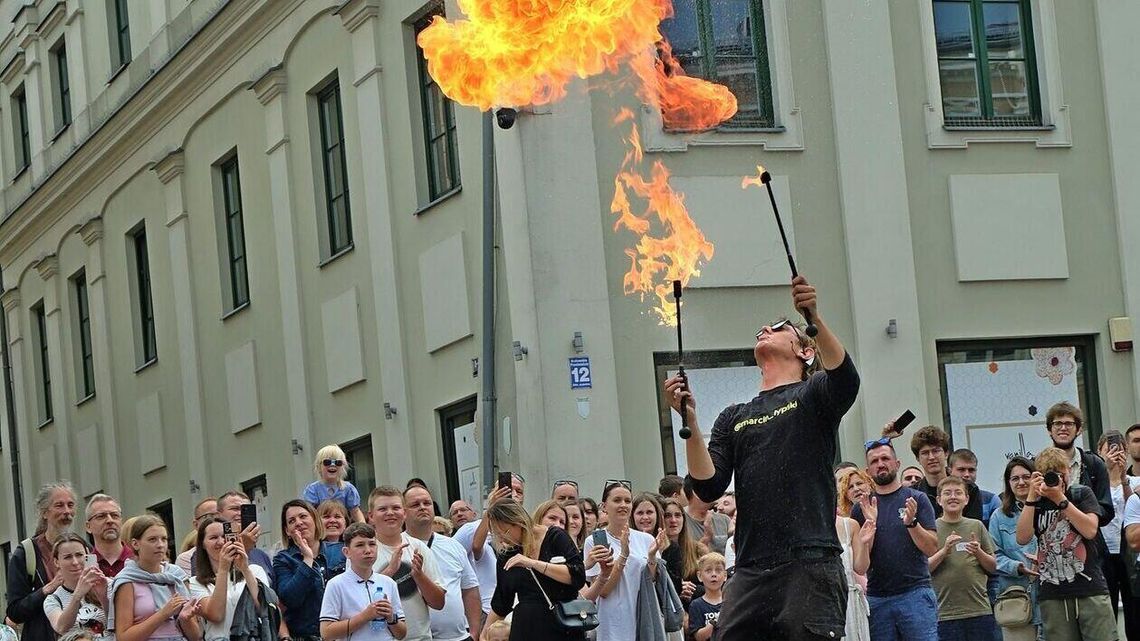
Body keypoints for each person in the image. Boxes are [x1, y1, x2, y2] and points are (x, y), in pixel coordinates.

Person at [665, 276, 860, 641]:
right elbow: (707, 487)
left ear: (805, 351)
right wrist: (689, 419)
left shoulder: (813, 393)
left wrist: (813, 318)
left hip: (809, 559)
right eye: (763, 329)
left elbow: (846, 379)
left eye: (780, 328)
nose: (765, 330)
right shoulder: (734, 415)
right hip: (752, 567)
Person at [1016, 446, 1115, 641]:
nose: (1056, 480)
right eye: (1049, 475)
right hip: (1052, 593)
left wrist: (1061, 499)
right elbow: (1022, 538)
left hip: (1089, 588)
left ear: (1069, 472)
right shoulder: (1036, 502)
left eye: (1060, 474)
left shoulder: (1081, 494)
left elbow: (1090, 530)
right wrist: (1031, 498)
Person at [852, 440, 940, 641]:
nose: (880, 464)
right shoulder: (861, 508)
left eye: (885, 458)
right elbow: (860, 564)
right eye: (874, 461)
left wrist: (912, 524)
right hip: (877, 598)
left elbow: (932, 548)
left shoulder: (917, 498)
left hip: (915, 594)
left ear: (897, 463)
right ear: (868, 470)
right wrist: (870, 527)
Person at [483, 500, 585, 641]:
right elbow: (502, 602)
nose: (501, 539)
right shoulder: (507, 554)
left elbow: (577, 576)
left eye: (504, 532)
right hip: (526, 629)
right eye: (496, 535)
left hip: (562, 625)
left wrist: (532, 563)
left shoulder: (555, 537)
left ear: (519, 522)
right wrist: (483, 635)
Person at [581, 480, 666, 641]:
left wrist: (652, 556)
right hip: (612, 622)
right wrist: (623, 555)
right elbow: (603, 591)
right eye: (617, 500)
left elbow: (653, 580)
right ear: (604, 506)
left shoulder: (646, 538)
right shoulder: (594, 541)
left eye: (627, 501)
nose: (623, 505)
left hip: (643, 615)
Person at [404, 485, 482, 641]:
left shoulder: (453, 545)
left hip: (457, 637)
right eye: (415, 504)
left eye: (427, 503)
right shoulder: (397, 546)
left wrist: (474, 633)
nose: (422, 508)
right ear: (403, 512)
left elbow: (470, 590)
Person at [368, 486, 445, 641]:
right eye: (383, 509)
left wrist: (419, 576)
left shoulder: (418, 547)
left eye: (396, 508)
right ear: (371, 516)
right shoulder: (362, 551)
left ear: (404, 513)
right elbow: (358, 600)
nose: (390, 513)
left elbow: (438, 603)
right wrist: (389, 571)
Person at [108, 514, 203, 641]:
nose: (160, 545)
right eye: (152, 539)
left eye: (164, 539)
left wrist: (185, 619)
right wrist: (163, 614)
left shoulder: (177, 576)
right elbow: (124, 637)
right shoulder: (127, 580)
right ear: (135, 544)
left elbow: (196, 636)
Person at [926, 476, 999, 641]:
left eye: (958, 493)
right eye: (947, 493)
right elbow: (924, 569)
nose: (953, 497)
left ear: (966, 499)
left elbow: (994, 567)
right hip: (944, 614)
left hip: (979, 610)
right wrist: (944, 551)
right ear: (938, 500)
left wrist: (978, 552)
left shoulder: (976, 526)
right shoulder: (931, 528)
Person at [7, 481, 80, 641]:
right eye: (59, 506)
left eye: (70, 505)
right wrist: (48, 589)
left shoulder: (84, 549)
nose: (67, 511)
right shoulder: (26, 553)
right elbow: (14, 612)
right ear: (44, 513)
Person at [319, 522, 407, 641]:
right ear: (346, 552)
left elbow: (401, 634)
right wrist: (365, 616)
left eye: (372, 544)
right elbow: (326, 633)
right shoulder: (336, 584)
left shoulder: (388, 583)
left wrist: (391, 617)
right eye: (360, 545)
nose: (368, 550)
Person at [454, 475, 524, 618]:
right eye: (508, 488)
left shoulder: (526, 528)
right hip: (488, 609)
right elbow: (475, 548)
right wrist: (491, 507)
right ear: (494, 492)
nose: (514, 494)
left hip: (520, 608)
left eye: (519, 491)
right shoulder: (472, 528)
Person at [188, 515, 268, 641]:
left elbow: (264, 608)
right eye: (213, 538)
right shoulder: (194, 582)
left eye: (225, 536)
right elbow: (216, 615)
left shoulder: (255, 570)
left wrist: (245, 569)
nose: (221, 542)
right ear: (202, 544)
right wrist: (223, 569)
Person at [988, 456, 1041, 641]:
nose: (1021, 482)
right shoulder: (999, 516)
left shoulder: (1049, 507)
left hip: (1050, 599)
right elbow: (994, 556)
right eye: (1015, 478)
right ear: (1008, 483)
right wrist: (1017, 567)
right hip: (1016, 599)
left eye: (1026, 477)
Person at [274, 499, 342, 641]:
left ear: (315, 520)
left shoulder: (340, 551)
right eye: (292, 521)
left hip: (343, 634)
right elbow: (290, 599)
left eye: (303, 516)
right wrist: (307, 559)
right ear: (287, 531)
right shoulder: (283, 559)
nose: (298, 522)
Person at [1044, 402, 1114, 528]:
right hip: (1049, 539)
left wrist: (1078, 513)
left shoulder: (1094, 464)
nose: (1063, 428)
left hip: (1088, 542)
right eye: (1058, 423)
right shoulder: (1039, 464)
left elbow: (1107, 511)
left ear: (1079, 429)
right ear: (1049, 430)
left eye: (1069, 424)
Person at [1097, 431, 1138, 637]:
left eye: (1120, 450)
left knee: (1133, 607)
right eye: (1110, 450)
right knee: (1107, 607)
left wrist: (1122, 478)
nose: (1116, 454)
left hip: (1128, 553)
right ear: (1100, 453)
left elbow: (1134, 508)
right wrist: (1107, 471)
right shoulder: (1096, 483)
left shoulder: (1132, 482)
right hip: (1103, 553)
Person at [43, 533, 109, 639]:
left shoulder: (106, 583)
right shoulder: (53, 600)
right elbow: (61, 627)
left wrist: (103, 597)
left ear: (87, 554)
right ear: (56, 562)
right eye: (67, 557)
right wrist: (78, 595)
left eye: (79, 555)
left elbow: (118, 622)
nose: (75, 562)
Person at [210, 491, 275, 586]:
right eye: (234, 508)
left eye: (245, 509)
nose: (240, 513)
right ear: (218, 514)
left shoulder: (261, 555)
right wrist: (243, 546)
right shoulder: (212, 550)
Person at [660, 497, 707, 608]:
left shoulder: (698, 549)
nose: (673, 520)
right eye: (667, 516)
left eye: (677, 515)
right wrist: (677, 588)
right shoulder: (656, 550)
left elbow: (712, 584)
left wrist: (692, 590)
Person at [836, 501, 871, 641]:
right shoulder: (806, 528)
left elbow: (861, 568)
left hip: (850, 599)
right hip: (822, 601)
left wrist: (864, 543)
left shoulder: (850, 525)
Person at [303, 445, 365, 523]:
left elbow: (355, 511)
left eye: (338, 462)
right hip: (320, 530)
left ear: (343, 467)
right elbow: (309, 514)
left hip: (342, 528)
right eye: (327, 462)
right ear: (319, 467)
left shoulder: (348, 489)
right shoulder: (312, 490)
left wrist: (364, 529)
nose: (332, 465)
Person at [947, 449, 1002, 528]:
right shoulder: (945, 499)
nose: (966, 474)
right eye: (961, 470)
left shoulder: (991, 500)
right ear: (949, 471)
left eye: (971, 470)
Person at [84, 494, 133, 578]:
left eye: (115, 515)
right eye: (101, 516)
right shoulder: (84, 567)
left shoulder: (138, 560)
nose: (110, 520)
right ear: (88, 526)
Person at [687, 553, 726, 641]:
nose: (714, 574)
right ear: (699, 576)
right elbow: (699, 637)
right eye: (708, 570)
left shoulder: (731, 602)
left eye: (718, 570)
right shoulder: (696, 605)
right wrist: (715, 621)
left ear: (725, 576)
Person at [176, 498, 217, 573]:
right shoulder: (186, 559)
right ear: (196, 525)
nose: (215, 520)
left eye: (219, 515)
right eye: (209, 516)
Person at [317, 499, 350, 574]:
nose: (332, 520)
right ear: (317, 523)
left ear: (345, 524)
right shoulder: (311, 550)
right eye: (326, 517)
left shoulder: (352, 548)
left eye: (337, 516)